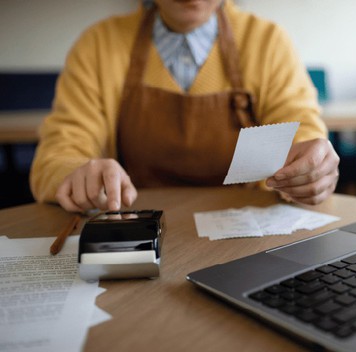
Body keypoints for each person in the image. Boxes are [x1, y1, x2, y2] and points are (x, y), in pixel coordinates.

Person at [30, 0, 339, 213]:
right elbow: (58, 153)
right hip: (136, 231)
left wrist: (309, 166)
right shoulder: (98, 45)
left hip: (249, 229)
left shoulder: (268, 41)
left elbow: (300, 131)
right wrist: (76, 174)